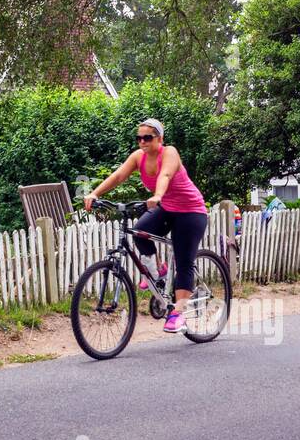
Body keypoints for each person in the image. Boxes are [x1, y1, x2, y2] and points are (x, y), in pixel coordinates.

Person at [83, 118, 209, 332]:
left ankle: (178, 314)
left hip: (191, 211)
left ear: (159, 138)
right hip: (167, 207)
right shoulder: (138, 157)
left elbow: (166, 174)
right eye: (139, 138)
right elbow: (118, 175)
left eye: (147, 137)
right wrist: (95, 193)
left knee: (184, 261)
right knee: (140, 232)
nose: (142, 141)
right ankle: (158, 272)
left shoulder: (169, 152)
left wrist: (158, 194)